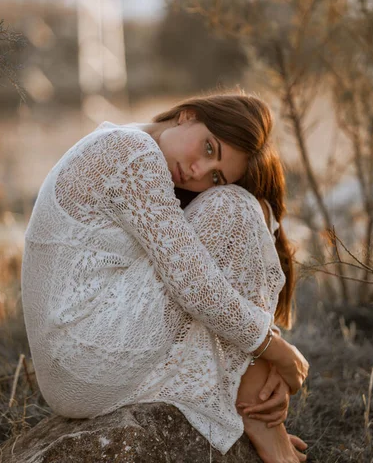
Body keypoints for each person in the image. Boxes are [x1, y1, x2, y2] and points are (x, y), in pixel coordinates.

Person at [21, 92, 309, 462]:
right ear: (188, 115)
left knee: (247, 209)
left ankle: (251, 400)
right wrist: (276, 351)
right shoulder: (131, 152)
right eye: (209, 148)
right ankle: (258, 413)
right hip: (84, 357)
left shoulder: (129, 143)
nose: (198, 172)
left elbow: (199, 281)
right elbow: (194, 285)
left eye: (216, 175)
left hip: (72, 370)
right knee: (235, 208)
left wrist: (262, 351)